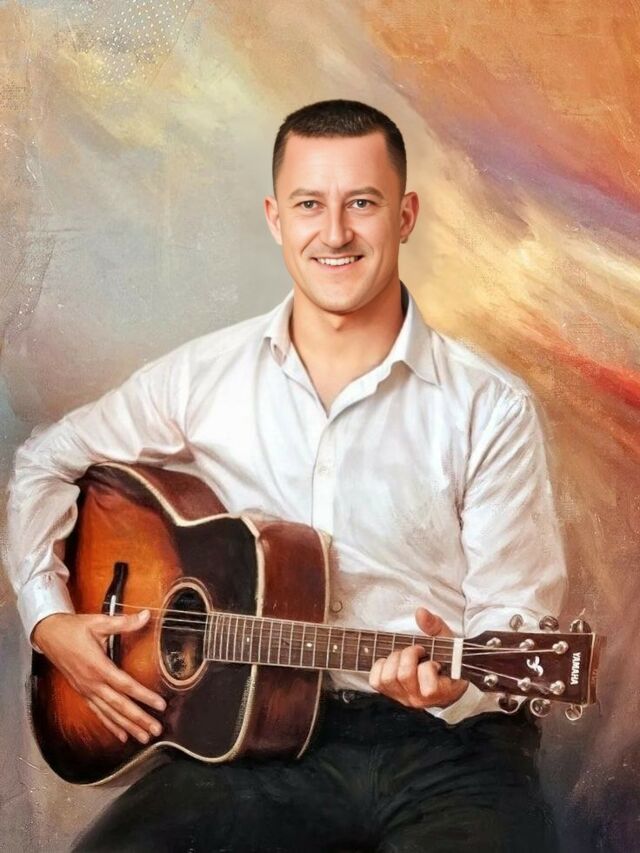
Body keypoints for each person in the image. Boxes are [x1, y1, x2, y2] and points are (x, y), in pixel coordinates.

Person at [6, 99, 567, 852]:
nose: (334, 233)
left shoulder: (490, 406)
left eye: (361, 203)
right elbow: (45, 461)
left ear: (404, 217)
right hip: (252, 736)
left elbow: (516, 624)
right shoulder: (204, 376)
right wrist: (49, 621)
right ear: (276, 218)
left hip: (452, 750)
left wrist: (462, 680)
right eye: (309, 205)